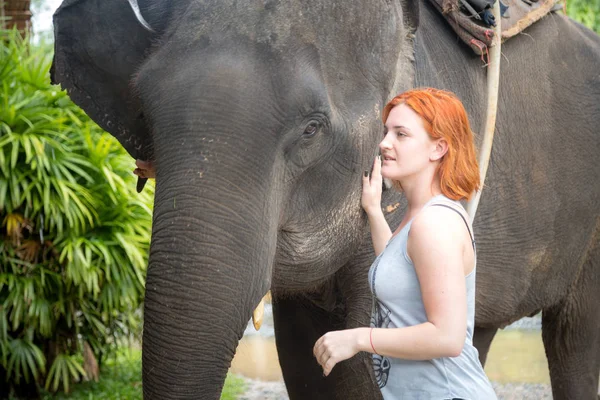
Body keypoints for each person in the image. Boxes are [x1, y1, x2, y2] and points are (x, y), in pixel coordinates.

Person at [312, 88, 497, 399]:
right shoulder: (419, 217)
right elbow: (397, 268)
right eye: (386, 132)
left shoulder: (434, 224)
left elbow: (447, 338)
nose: (384, 143)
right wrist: (373, 210)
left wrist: (359, 338)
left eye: (401, 134)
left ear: (438, 148)